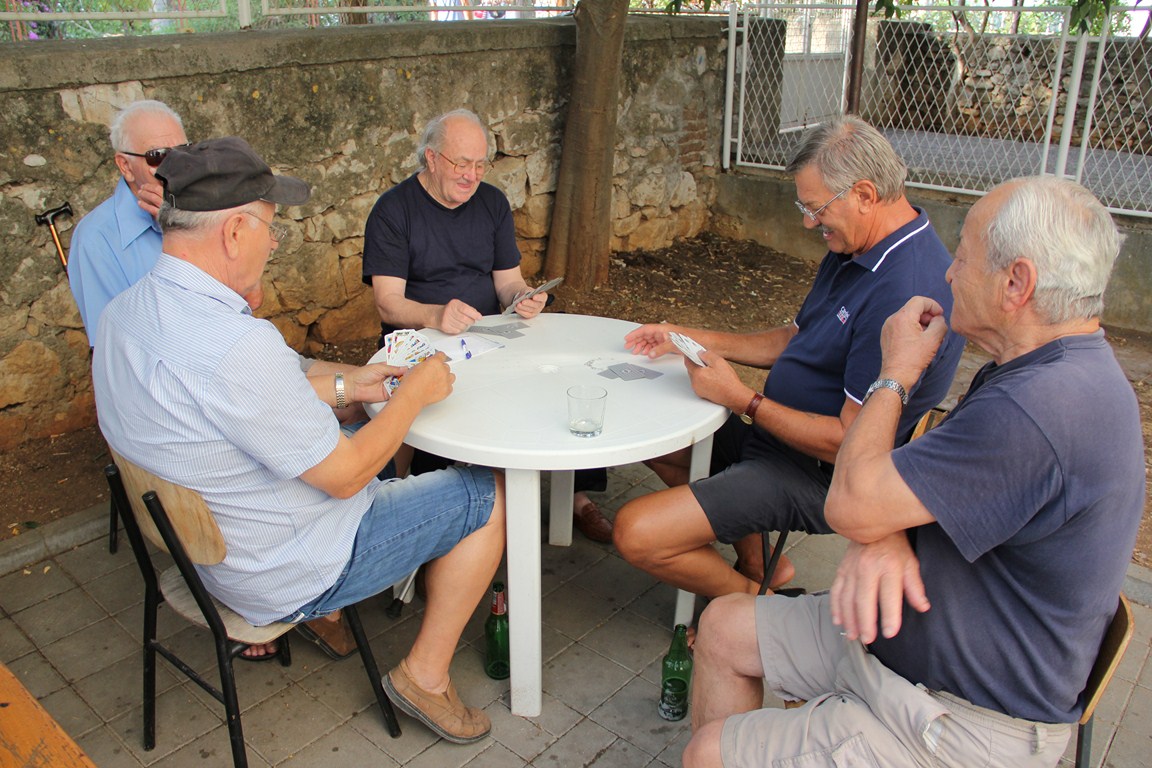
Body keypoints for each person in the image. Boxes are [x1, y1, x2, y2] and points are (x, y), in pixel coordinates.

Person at [682, 175, 1145, 768]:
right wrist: (889, 533)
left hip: (962, 717)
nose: (948, 274)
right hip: (903, 642)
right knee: (722, 627)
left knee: (708, 754)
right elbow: (915, 478)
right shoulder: (1043, 369)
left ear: (1017, 283)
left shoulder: (1039, 410)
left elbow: (851, 502)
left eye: (964, 257)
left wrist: (895, 370)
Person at [92, 137, 507, 745]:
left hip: (201, 556)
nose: (274, 241)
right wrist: (413, 393)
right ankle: (424, 675)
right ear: (234, 232)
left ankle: (373, 593)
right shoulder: (235, 347)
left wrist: (351, 384)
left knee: (365, 421)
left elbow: (251, 393)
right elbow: (343, 477)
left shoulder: (124, 315)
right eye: (270, 227)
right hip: (283, 567)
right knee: (488, 492)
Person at [614, 116, 965, 597]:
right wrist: (684, 335)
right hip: (778, 442)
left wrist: (742, 400)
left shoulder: (903, 293)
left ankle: (756, 609)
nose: (807, 222)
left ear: (864, 194)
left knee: (636, 532)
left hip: (818, 473)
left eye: (816, 207)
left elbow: (848, 442)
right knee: (654, 437)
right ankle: (763, 571)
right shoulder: (860, 244)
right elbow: (795, 339)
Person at [362, 108, 613, 542]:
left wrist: (522, 298)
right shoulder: (393, 210)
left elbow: (508, 283)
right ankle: (441, 523)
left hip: (491, 334)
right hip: (424, 341)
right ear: (432, 158)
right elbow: (388, 304)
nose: (472, 176)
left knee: (563, 377)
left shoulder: (492, 202)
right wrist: (435, 314)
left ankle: (577, 494)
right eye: (462, 164)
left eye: (480, 165)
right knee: (454, 414)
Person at [67, 100, 187, 346]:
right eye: (159, 155)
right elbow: (117, 347)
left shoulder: (197, 206)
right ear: (126, 166)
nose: (176, 166)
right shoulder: (97, 238)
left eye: (184, 152)